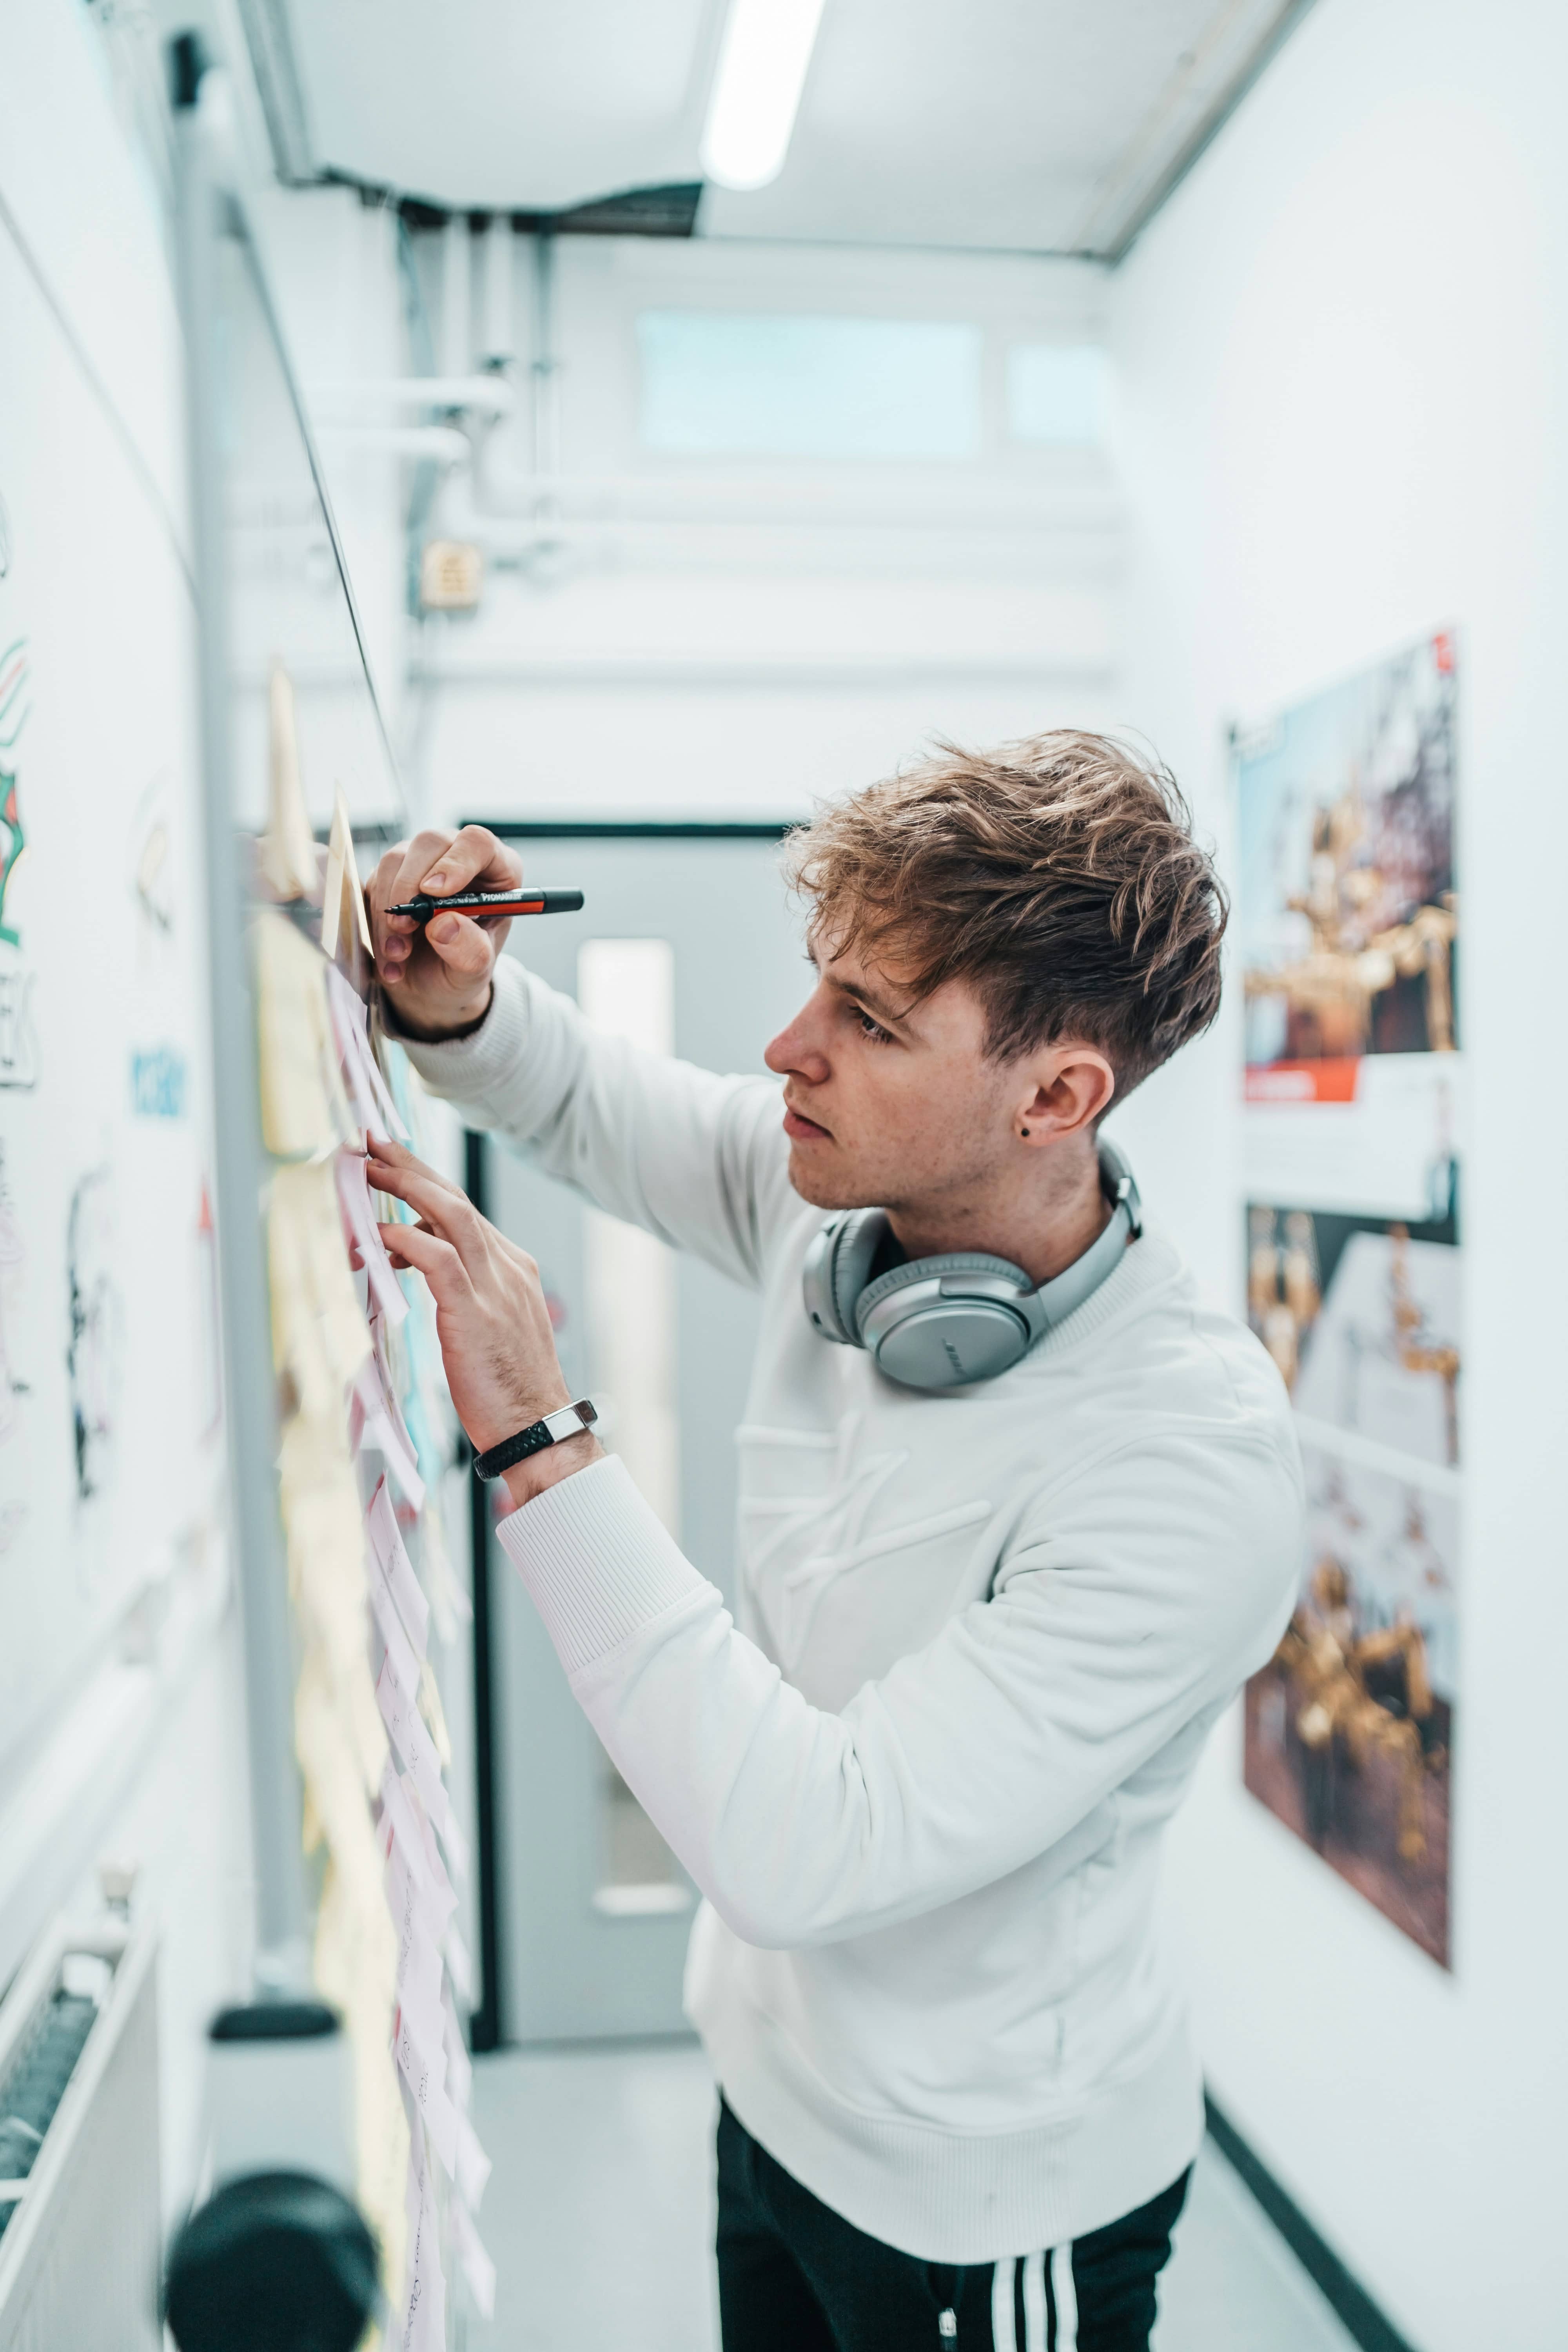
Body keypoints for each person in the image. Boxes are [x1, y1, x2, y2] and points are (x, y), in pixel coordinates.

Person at [365, 733, 1303, 2352]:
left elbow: (816, 1847)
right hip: (776, 2101)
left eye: (867, 1021)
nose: (786, 1047)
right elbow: (591, 1100)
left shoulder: (1186, 1462)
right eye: (822, 985)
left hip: (985, 2204)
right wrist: (453, 1001)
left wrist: (541, 1440)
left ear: (1058, 1094)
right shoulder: (845, 1212)